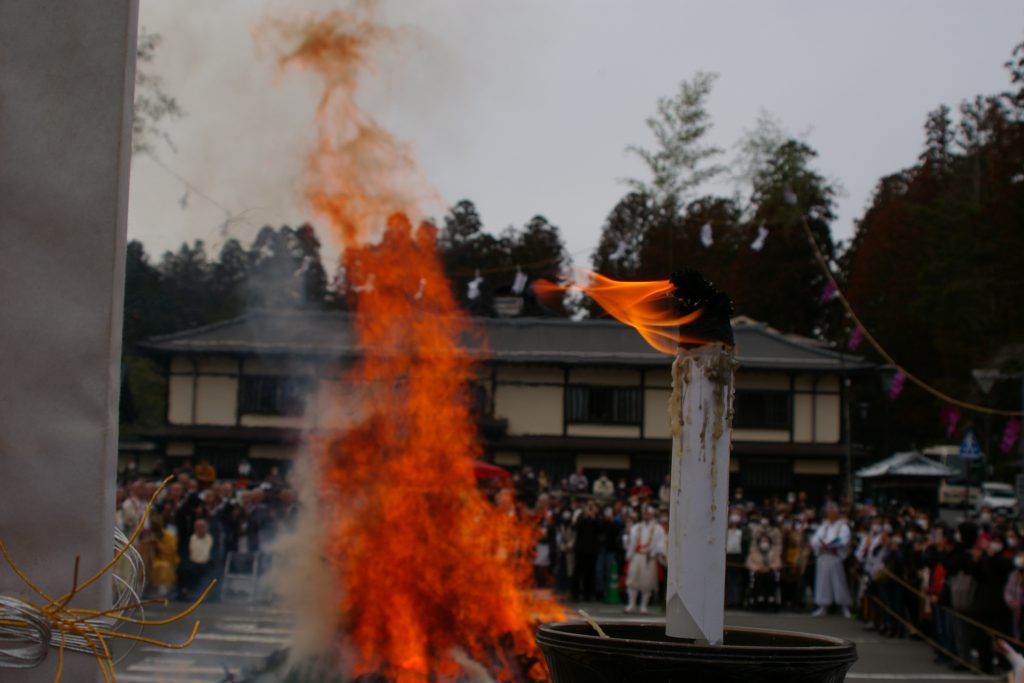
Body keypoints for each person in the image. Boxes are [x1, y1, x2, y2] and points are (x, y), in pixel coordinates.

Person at [810, 502, 852, 617]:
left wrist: (829, 545)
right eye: (829, 512)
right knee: (823, 582)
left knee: (839, 582)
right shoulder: (824, 526)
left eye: (833, 511)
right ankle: (823, 606)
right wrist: (820, 544)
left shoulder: (842, 526)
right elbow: (815, 539)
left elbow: (843, 539)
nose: (831, 514)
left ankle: (844, 606)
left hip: (834, 556)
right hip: (823, 556)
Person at [624, 506, 666, 614]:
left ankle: (643, 606)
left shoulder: (658, 529)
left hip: (649, 557)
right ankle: (631, 604)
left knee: (647, 583)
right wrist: (627, 537)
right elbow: (629, 543)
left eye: (648, 513)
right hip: (637, 556)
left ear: (652, 514)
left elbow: (661, 543)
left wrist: (656, 552)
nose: (646, 515)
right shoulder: (636, 527)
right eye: (645, 513)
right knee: (632, 580)